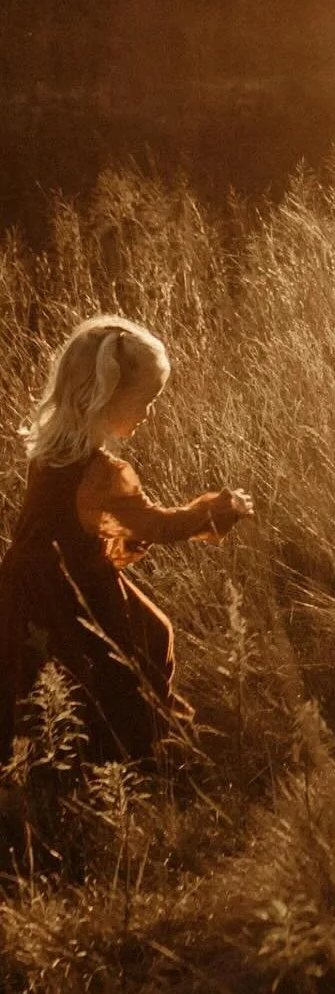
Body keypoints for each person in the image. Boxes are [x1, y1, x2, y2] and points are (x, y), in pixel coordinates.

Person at [0, 316, 253, 764]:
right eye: (145, 400)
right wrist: (214, 511)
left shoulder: (50, 453)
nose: (149, 412)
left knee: (47, 672)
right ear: (107, 396)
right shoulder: (100, 474)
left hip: (23, 587)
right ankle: (137, 750)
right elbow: (156, 525)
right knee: (129, 652)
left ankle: (69, 762)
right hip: (70, 591)